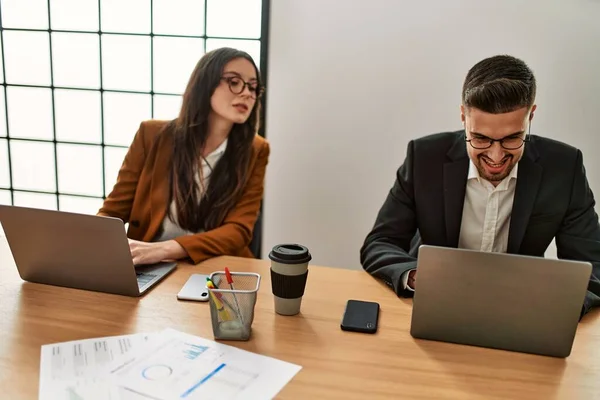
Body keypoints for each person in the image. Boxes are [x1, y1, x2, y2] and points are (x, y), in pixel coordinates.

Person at [360, 54, 600, 318]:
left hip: (521, 313)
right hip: (435, 306)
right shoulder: (424, 157)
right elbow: (380, 243)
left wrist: (554, 306)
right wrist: (418, 277)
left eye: (512, 138)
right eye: (480, 138)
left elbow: (593, 267)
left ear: (531, 116)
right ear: (463, 117)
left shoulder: (565, 167)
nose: (496, 157)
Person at [98, 47, 269, 266]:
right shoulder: (151, 135)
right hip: (148, 263)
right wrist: (87, 245)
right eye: (234, 82)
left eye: (253, 87)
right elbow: (113, 212)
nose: (247, 93)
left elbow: (238, 230)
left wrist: (166, 249)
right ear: (205, 83)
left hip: (214, 265)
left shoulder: (256, 149)